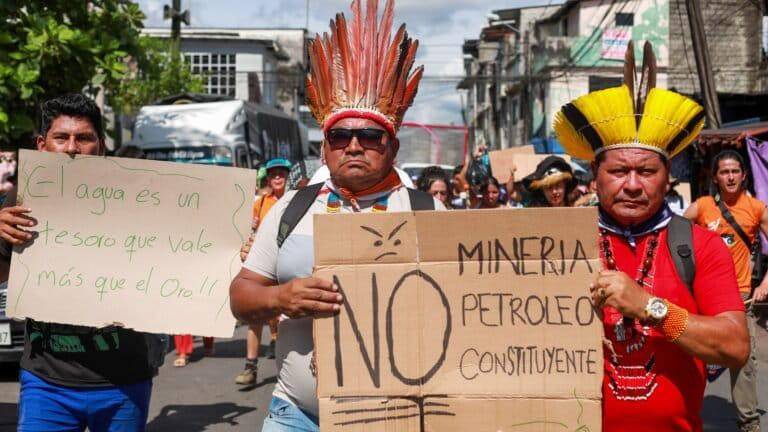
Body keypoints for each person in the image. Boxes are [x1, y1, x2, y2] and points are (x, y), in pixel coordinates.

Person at [229, 2, 442, 430]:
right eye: (340, 135)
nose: (355, 145)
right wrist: (281, 297)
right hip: (296, 415)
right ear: (324, 148)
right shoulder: (293, 208)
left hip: (396, 418)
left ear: (393, 147)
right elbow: (240, 297)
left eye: (370, 135)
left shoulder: (427, 212)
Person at [553, 41, 749, 432]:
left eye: (645, 172)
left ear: (667, 178)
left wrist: (649, 308)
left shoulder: (699, 246)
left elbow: (734, 346)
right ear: (594, 176)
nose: (631, 185)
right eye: (618, 171)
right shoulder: (557, 246)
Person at [0, 94, 155, 431]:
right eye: (61, 137)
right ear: (42, 145)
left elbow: (183, 256)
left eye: (84, 138)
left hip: (123, 381)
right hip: (47, 382)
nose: (72, 147)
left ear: (100, 147)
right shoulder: (20, 201)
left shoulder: (138, 199)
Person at [684, 149, 765, 432]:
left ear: (743, 176)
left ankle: (749, 423)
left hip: (741, 297)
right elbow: (675, 231)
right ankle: (685, 414)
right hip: (703, 297)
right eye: (724, 172)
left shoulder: (756, 209)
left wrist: (766, 281)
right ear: (715, 178)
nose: (730, 177)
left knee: (743, 359)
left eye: (734, 171)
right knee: (691, 354)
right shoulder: (704, 206)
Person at [235, 158, 291, 385]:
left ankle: (287, 372)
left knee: (284, 314)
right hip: (263, 263)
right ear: (268, 178)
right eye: (273, 174)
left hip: (285, 263)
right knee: (255, 317)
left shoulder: (294, 201)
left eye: (281, 173)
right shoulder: (260, 203)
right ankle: (250, 367)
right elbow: (250, 229)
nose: (277, 177)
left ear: (287, 177)